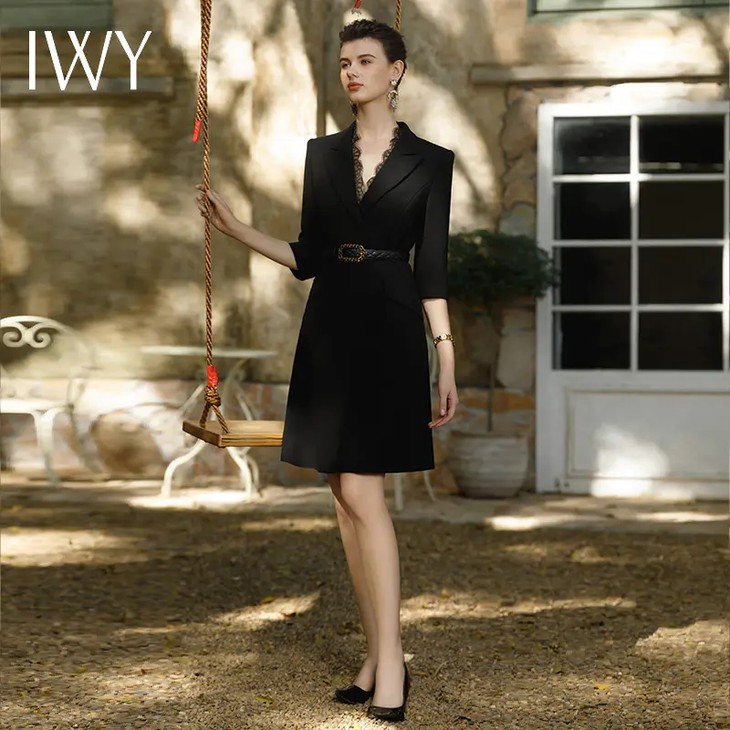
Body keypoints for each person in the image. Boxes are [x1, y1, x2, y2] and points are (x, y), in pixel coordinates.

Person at [196, 17, 458, 723]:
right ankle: (376, 655)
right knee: (342, 496)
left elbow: (432, 267)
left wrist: (446, 353)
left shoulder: (433, 161)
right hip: (331, 324)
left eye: (365, 61)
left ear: (396, 71)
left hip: (392, 325)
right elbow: (308, 254)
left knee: (364, 492)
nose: (351, 71)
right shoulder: (321, 154)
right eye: (345, 62)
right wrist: (235, 228)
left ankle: (393, 663)